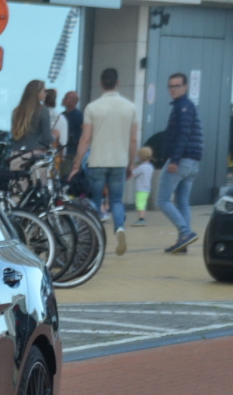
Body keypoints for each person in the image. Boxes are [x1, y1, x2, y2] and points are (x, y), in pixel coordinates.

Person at [70, 68, 137, 257]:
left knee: (94, 201)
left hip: (97, 161)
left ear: (101, 84)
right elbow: (133, 141)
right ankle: (120, 229)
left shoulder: (92, 107)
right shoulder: (129, 108)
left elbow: (85, 139)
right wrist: (130, 164)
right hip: (119, 162)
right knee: (116, 200)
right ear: (118, 83)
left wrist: (76, 164)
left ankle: (93, 240)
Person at [158, 72, 204, 253]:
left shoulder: (183, 107)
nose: (173, 89)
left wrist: (174, 160)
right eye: (170, 86)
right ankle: (182, 243)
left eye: (177, 86)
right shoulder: (187, 106)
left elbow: (183, 134)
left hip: (182, 160)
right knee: (182, 201)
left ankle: (185, 233)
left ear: (185, 87)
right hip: (192, 161)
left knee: (162, 200)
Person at [10, 80, 53, 155]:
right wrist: (55, 136)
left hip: (16, 154)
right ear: (37, 93)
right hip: (34, 155)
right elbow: (47, 139)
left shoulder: (16, 111)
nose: (46, 93)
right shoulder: (43, 111)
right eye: (44, 91)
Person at [60, 91, 83, 177]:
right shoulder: (62, 115)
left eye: (66, 97)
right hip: (62, 152)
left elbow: (84, 130)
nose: (63, 99)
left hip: (71, 153)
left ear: (73, 101)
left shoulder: (78, 116)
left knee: (67, 175)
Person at [131, 147, 154, 227]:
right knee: (143, 204)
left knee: (140, 205)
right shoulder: (150, 167)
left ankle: (141, 219)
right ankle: (142, 218)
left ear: (141, 157)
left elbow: (133, 174)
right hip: (147, 189)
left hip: (140, 189)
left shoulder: (141, 167)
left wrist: (132, 168)